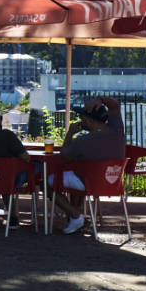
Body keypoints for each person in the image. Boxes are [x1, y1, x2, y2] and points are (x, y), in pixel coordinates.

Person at [52, 97, 125, 234]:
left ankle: (76, 216)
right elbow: (115, 106)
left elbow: (63, 157)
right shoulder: (117, 131)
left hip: (89, 183)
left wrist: (70, 133)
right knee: (76, 177)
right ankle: (75, 219)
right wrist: (100, 100)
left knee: (48, 183)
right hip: (112, 182)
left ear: (89, 121)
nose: (80, 120)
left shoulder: (82, 141)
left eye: (82, 118)